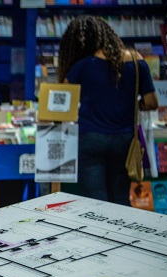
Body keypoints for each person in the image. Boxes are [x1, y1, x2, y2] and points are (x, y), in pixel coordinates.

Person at [58, 15, 158, 205]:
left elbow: (61, 101)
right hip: (124, 139)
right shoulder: (137, 61)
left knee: (95, 202)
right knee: (120, 199)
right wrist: (130, 102)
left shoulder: (82, 65)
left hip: (90, 139)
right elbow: (152, 102)